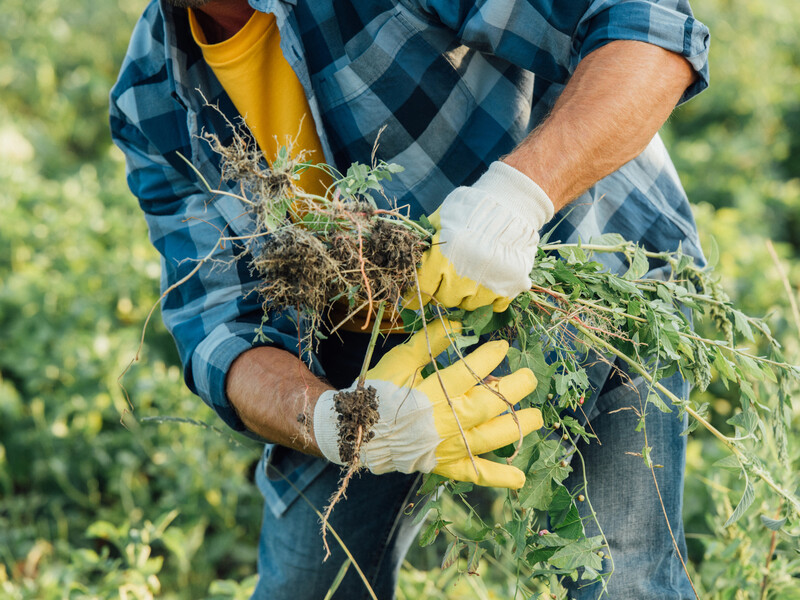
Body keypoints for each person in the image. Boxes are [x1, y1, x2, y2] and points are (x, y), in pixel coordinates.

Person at [110, 1, 710, 597]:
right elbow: (222, 328)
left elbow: (648, 29)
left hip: (577, 267)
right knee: (307, 585)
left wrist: (518, 197)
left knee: (620, 579)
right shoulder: (151, 97)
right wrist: (336, 422)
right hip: (364, 354)